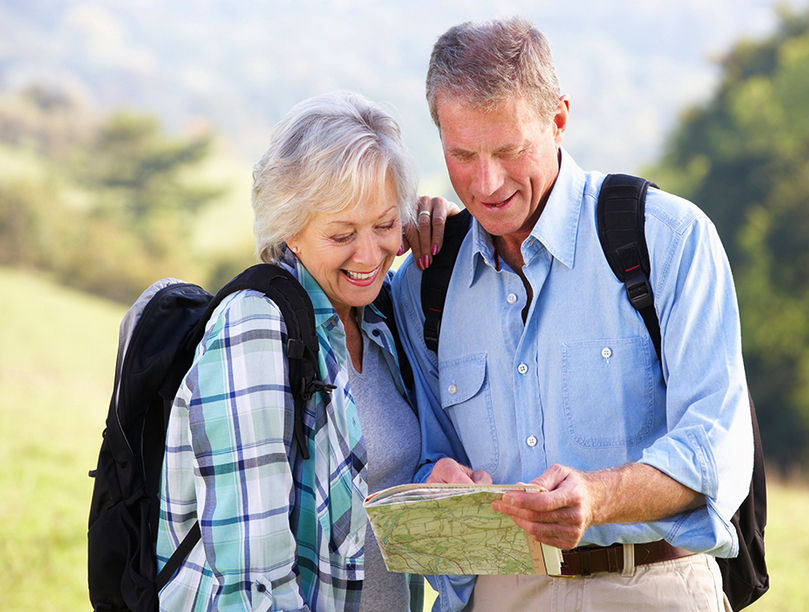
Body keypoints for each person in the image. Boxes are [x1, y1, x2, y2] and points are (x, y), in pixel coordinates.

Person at [391, 17, 754, 612]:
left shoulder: (667, 239)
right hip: (499, 592)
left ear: (558, 119)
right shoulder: (425, 282)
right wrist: (437, 482)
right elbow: (421, 451)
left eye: (509, 150)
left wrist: (599, 496)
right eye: (462, 154)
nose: (486, 183)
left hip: (653, 587)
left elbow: (716, 447)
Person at [155, 90, 453, 612]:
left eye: (385, 225)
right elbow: (252, 586)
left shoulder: (379, 319)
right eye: (342, 235)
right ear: (290, 229)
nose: (368, 255)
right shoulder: (255, 330)